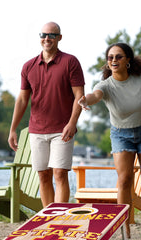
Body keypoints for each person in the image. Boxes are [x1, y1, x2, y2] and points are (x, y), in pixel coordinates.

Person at [78, 43, 141, 238]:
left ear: (127, 60)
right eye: (110, 58)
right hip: (121, 135)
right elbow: (95, 96)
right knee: (124, 179)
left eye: (118, 57)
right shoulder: (105, 85)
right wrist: (85, 100)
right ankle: (124, 227)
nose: (114, 60)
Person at [8, 22, 85, 208]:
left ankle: (60, 218)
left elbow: (79, 96)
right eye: (43, 34)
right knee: (43, 175)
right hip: (37, 130)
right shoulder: (29, 66)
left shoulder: (70, 62)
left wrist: (72, 123)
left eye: (52, 35)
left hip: (62, 129)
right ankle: (48, 219)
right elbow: (22, 100)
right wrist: (12, 130)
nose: (47, 38)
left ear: (59, 37)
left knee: (59, 173)